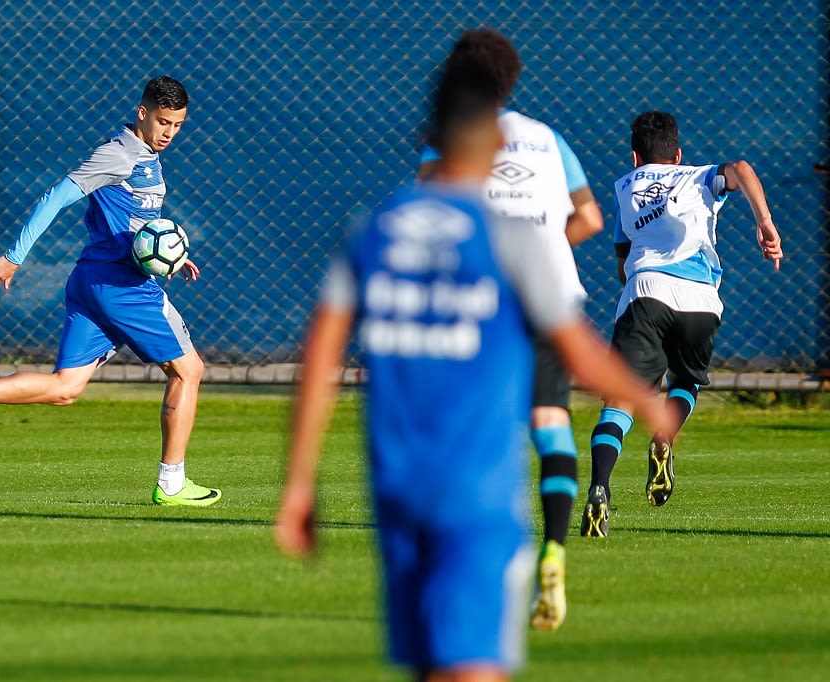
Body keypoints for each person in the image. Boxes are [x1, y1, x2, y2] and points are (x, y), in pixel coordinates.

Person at [275, 29, 677, 682]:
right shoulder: (507, 241)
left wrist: (298, 484)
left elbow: (318, 353)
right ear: (493, 147)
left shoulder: (373, 231)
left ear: (429, 143)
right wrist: (647, 405)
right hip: (478, 497)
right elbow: (578, 350)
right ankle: (557, 541)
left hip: (396, 492)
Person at [0, 76, 221, 508]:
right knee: (188, 371)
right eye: (162, 121)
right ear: (142, 113)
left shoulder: (147, 156)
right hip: (122, 287)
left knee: (65, 388)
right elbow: (54, 197)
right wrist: (14, 256)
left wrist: (170, 255)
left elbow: (136, 222)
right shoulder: (118, 154)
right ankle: (172, 483)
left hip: (92, 281)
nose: (170, 132)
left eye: (177, 124)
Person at [416, 34, 603, 631]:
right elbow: (590, 218)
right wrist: (541, 253)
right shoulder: (548, 138)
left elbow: (430, 215)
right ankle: (555, 548)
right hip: (550, 299)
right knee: (551, 424)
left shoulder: (452, 140)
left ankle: (479, 564)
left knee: (472, 432)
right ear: (511, 80)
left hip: (483, 301)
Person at [581, 110, 783, 537]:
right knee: (686, 382)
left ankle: (599, 488)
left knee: (619, 400)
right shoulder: (697, 176)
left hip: (647, 292)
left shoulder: (626, 189)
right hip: (700, 302)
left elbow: (623, 265)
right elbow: (742, 169)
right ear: (678, 154)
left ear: (636, 157)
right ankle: (665, 438)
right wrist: (764, 222)